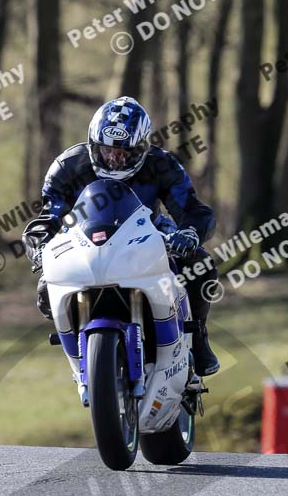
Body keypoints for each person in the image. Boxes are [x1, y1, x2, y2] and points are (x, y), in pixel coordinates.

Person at [23, 96, 220, 376]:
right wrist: (40, 246)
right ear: (93, 144)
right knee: (45, 289)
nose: (115, 159)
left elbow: (192, 209)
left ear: (142, 148)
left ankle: (197, 334)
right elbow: (48, 217)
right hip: (84, 243)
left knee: (201, 266)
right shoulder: (67, 167)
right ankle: (81, 346)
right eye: (107, 151)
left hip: (147, 236)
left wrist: (189, 233)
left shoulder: (162, 165)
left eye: (125, 152)